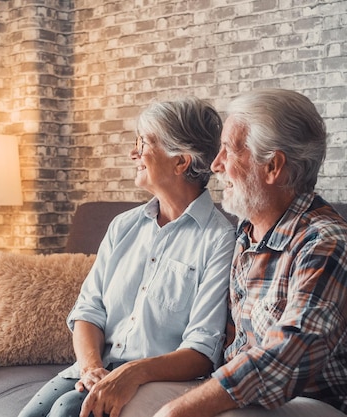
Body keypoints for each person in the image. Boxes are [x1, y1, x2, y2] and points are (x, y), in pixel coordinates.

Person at [152, 89, 347, 417]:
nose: (216, 165)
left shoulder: (326, 242)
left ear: (273, 166)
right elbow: (232, 345)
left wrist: (178, 410)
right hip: (263, 400)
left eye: (228, 149)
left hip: (335, 405)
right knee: (134, 400)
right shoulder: (246, 234)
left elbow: (288, 355)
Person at [17, 97, 236, 417]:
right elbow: (88, 311)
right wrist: (91, 368)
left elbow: (202, 350)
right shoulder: (123, 226)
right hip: (95, 370)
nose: (134, 153)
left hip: (159, 379)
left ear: (181, 161)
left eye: (144, 143)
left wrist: (131, 373)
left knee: (67, 410)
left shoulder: (219, 239)